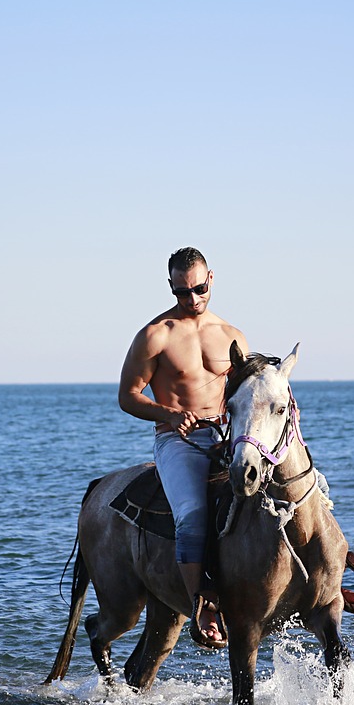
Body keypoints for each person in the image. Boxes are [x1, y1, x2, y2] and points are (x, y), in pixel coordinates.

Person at [118, 247, 249, 647]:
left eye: (198, 288)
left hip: (227, 438)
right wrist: (169, 415)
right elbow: (127, 396)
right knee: (192, 517)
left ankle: (325, 579)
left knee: (298, 489)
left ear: (212, 279)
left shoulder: (233, 337)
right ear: (171, 288)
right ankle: (201, 606)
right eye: (181, 292)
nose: (191, 299)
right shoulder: (155, 335)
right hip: (179, 441)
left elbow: (247, 395)